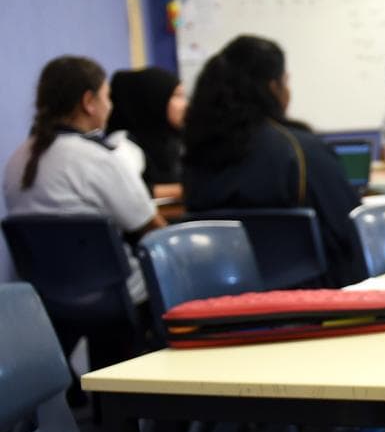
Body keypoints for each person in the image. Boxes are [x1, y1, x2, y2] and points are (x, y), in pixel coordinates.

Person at [183, 35, 365, 288]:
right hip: (311, 307)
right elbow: (352, 229)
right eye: (285, 81)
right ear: (272, 87)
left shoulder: (197, 153)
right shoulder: (301, 151)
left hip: (218, 302)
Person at [4, 56, 166, 305]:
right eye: (107, 97)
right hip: (117, 294)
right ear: (89, 102)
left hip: (48, 298)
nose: (110, 107)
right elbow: (152, 228)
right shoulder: (98, 158)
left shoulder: (16, 160)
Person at [106, 67, 187, 197]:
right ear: (154, 99)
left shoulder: (172, 140)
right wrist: (187, 191)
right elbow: (125, 193)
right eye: (177, 96)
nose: (185, 105)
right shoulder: (123, 145)